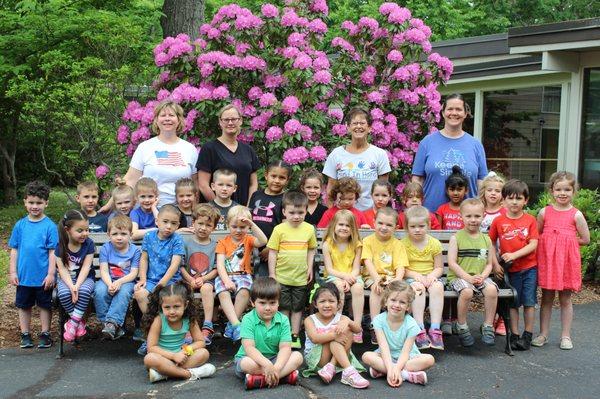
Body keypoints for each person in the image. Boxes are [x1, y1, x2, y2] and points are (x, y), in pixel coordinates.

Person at [532, 171, 590, 350]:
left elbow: (586, 239)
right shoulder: (544, 212)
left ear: (574, 191)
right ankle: (543, 334)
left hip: (566, 262)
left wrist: (567, 242)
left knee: (565, 299)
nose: (562, 193)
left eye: (567, 189)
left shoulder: (576, 215)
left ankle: (566, 336)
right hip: (549, 261)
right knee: (547, 298)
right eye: (558, 189)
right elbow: (537, 235)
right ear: (552, 191)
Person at [412, 93, 488, 212]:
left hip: (468, 219)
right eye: (450, 109)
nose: (454, 113)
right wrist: (416, 209)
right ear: (443, 112)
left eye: (458, 109)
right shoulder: (427, 143)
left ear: (465, 113)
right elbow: (417, 180)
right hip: (430, 216)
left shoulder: (476, 145)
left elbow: (482, 182)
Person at [119, 100, 199, 209]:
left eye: (171, 115)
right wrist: (110, 206)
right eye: (163, 115)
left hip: (180, 212)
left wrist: (194, 212)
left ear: (179, 120)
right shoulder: (145, 147)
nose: (167, 118)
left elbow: (195, 184)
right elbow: (130, 180)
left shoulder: (190, 149)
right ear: (156, 120)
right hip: (148, 212)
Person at [488, 179, 538, 351]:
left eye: (518, 198)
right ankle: (515, 335)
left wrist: (514, 255)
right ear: (503, 200)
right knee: (513, 303)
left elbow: (533, 244)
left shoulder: (530, 220)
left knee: (529, 302)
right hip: (511, 271)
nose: (514, 202)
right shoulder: (498, 222)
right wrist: (495, 264)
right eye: (510, 198)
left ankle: (527, 335)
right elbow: (491, 244)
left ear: (526, 200)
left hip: (529, 268)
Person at [8, 181, 58, 349]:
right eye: (31, 202)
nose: (34, 206)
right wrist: (13, 271)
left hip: (43, 277)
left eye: (39, 203)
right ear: (25, 202)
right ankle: (25, 334)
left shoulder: (50, 226)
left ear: (46, 203)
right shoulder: (20, 225)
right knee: (24, 305)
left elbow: (53, 252)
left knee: (45, 305)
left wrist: (51, 274)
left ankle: (45, 333)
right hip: (24, 276)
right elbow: (14, 250)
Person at [234, 277, 303, 390]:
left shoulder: (283, 320)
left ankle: (261, 380)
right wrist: (266, 364)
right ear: (252, 302)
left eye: (272, 303)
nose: (267, 308)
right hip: (252, 359)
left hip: (274, 360)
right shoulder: (248, 319)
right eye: (262, 303)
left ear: (278, 302)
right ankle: (283, 377)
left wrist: (276, 367)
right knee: (246, 363)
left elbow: (285, 348)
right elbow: (249, 348)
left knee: (298, 357)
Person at [268, 191, 317, 349]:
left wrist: (310, 268)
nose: (296, 216)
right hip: (282, 277)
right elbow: (273, 252)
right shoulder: (279, 230)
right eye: (292, 213)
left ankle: (294, 336)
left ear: (306, 210)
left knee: (297, 308)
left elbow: (311, 250)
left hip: (300, 277)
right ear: (284, 212)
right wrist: (272, 274)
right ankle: (284, 336)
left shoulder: (309, 229)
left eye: (300, 212)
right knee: (283, 308)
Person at [362, 281, 435, 387]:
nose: (397, 305)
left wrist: (395, 369)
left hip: (408, 358)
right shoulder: (378, 320)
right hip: (386, 355)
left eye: (402, 302)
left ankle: (385, 371)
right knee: (366, 356)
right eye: (393, 300)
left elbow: (405, 352)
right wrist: (392, 368)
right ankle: (406, 375)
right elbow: (384, 347)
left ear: (408, 307)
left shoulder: (411, 325)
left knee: (429, 360)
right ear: (386, 301)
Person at [134, 204, 185, 355]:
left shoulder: (177, 239)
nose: (169, 226)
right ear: (157, 221)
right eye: (165, 221)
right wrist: (143, 278)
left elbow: (175, 265)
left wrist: (162, 283)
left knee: (169, 299)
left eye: (174, 223)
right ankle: (154, 332)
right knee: (140, 294)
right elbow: (144, 259)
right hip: (151, 280)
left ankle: (158, 337)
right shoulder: (149, 237)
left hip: (171, 281)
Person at [447, 198, 498, 347]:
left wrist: (484, 276)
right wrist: (468, 277)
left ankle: (488, 326)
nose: (473, 220)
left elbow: (489, 264)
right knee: (467, 292)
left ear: (483, 216)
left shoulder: (486, 239)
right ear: (461, 216)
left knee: (491, 289)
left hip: (480, 276)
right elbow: (452, 263)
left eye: (477, 216)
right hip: (459, 277)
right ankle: (461, 325)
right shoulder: (456, 238)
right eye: (468, 216)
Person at [143, 282, 216, 383]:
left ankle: (164, 374)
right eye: (167, 307)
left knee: (204, 353)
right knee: (149, 359)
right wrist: (173, 356)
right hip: (162, 358)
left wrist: (185, 351)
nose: (172, 311)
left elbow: (200, 342)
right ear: (161, 306)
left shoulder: (189, 319)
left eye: (176, 306)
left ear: (185, 305)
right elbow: (151, 348)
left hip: (182, 358)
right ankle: (190, 374)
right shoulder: (159, 320)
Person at [323, 107, 391, 211]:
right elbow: (330, 190)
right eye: (355, 123)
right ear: (348, 127)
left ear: (369, 127)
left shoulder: (379, 154)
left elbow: (384, 190)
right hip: (343, 216)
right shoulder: (336, 154)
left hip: (370, 216)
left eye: (362, 123)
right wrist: (333, 213)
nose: (358, 126)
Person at [215, 205, 267, 342]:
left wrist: (252, 224)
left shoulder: (248, 240)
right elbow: (220, 265)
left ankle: (232, 325)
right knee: (223, 293)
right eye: (234, 226)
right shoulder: (222, 242)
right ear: (228, 225)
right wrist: (226, 281)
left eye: (242, 227)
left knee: (244, 291)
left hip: (243, 275)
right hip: (225, 275)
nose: (238, 230)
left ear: (247, 227)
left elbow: (263, 241)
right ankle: (236, 324)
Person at [302, 283, 368, 389]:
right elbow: (314, 338)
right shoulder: (310, 320)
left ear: (338, 304)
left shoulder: (340, 318)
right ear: (315, 304)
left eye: (331, 301)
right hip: (317, 360)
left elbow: (358, 330)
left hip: (334, 358)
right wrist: (334, 336)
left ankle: (332, 366)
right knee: (335, 336)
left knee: (348, 329)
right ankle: (349, 371)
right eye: (322, 301)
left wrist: (347, 321)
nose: (327, 305)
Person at [197, 104, 260, 206]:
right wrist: (220, 209)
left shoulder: (248, 150)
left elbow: (253, 184)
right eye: (226, 120)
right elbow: (203, 185)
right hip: (216, 214)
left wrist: (247, 208)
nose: (230, 123)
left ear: (240, 121)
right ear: (220, 122)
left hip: (242, 212)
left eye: (234, 119)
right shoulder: (209, 149)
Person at [362, 207, 409, 344]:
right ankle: (375, 326)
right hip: (372, 276)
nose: (384, 227)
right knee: (378, 290)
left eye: (389, 225)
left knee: (400, 293)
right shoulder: (368, 241)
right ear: (374, 222)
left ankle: (396, 327)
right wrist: (376, 279)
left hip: (392, 278)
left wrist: (397, 281)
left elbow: (400, 267)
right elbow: (367, 261)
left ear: (396, 227)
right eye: (380, 223)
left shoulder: (397, 245)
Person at [401, 206, 445, 350]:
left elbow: (439, 267)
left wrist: (432, 276)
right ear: (407, 227)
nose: (417, 229)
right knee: (418, 289)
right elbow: (402, 269)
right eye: (413, 226)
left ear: (428, 225)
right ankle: (419, 328)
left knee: (438, 287)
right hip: (412, 279)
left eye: (421, 226)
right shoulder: (403, 244)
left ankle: (435, 329)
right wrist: (416, 276)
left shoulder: (434, 244)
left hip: (430, 278)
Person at [95, 215, 141, 340]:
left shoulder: (135, 251)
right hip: (107, 279)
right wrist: (110, 284)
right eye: (115, 234)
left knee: (124, 292)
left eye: (123, 234)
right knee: (99, 291)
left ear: (130, 234)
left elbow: (133, 273)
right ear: (109, 234)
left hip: (127, 281)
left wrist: (119, 282)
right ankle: (108, 325)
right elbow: (104, 271)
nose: (119, 237)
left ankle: (113, 323)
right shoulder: (106, 248)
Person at [180, 204, 221, 345]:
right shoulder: (186, 242)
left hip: (207, 280)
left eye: (208, 225)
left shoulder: (216, 245)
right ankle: (188, 326)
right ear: (194, 223)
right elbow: (180, 266)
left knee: (207, 288)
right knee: (184, 290)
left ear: (214, 228)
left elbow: (216, 269)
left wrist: (203, 279)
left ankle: (207, 326)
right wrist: (190, 279)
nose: (203, 228)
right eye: (200, 223)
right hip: (188, 279)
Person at [321, 210, 364, 343]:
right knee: (338, 287)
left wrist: (349, 278)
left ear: (353, 229)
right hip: (335, 276)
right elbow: (329, 269)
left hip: (352, 276)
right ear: (334, 226)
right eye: (341, 225)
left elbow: (356, 268)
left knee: (358, 288)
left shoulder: (356, 244)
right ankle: (336, 324)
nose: (344, 228)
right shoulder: (328, 244)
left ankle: (357, 326)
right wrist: (344, 278)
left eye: (348, 226)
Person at [55, 210, 96, 342]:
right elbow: (61, 269)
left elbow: (86, 267)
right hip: (67, 279)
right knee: (63, 293)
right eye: (80, 230)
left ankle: (72, 323)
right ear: (67, 230)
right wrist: (71, 287)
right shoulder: (60, 245)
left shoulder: (89, 244)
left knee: (84, 291)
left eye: (87, 229)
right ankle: (78, 322)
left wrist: (76, 286)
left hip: (86, 278)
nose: (85, 233)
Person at [249, 161, 291, 277]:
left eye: (282, 178)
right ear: (266, 175)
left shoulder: (286, 199)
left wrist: (270, 248)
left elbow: (286, 228)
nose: (277, 180)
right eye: (273, 176)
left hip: (273, 250)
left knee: (267, 283)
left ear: (287, 180)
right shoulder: (256, 195)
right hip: (252, 247)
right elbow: (249, 219)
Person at [479, 171, 508, 336]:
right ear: (484, 191)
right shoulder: (479, 211)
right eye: (490, 190)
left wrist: (497, 263)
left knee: (502, 283)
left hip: (500, 259)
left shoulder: (504, 213)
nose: (493, 194)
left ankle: (501, 318)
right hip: (481, 259)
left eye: (497, 191)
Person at [436, 165, 468, 230]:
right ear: (447, 191)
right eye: (452, 189)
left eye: (459, 189)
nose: (455, 193)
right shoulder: (441, 210)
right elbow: (438, 232)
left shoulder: (469, 210)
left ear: (466, 190)